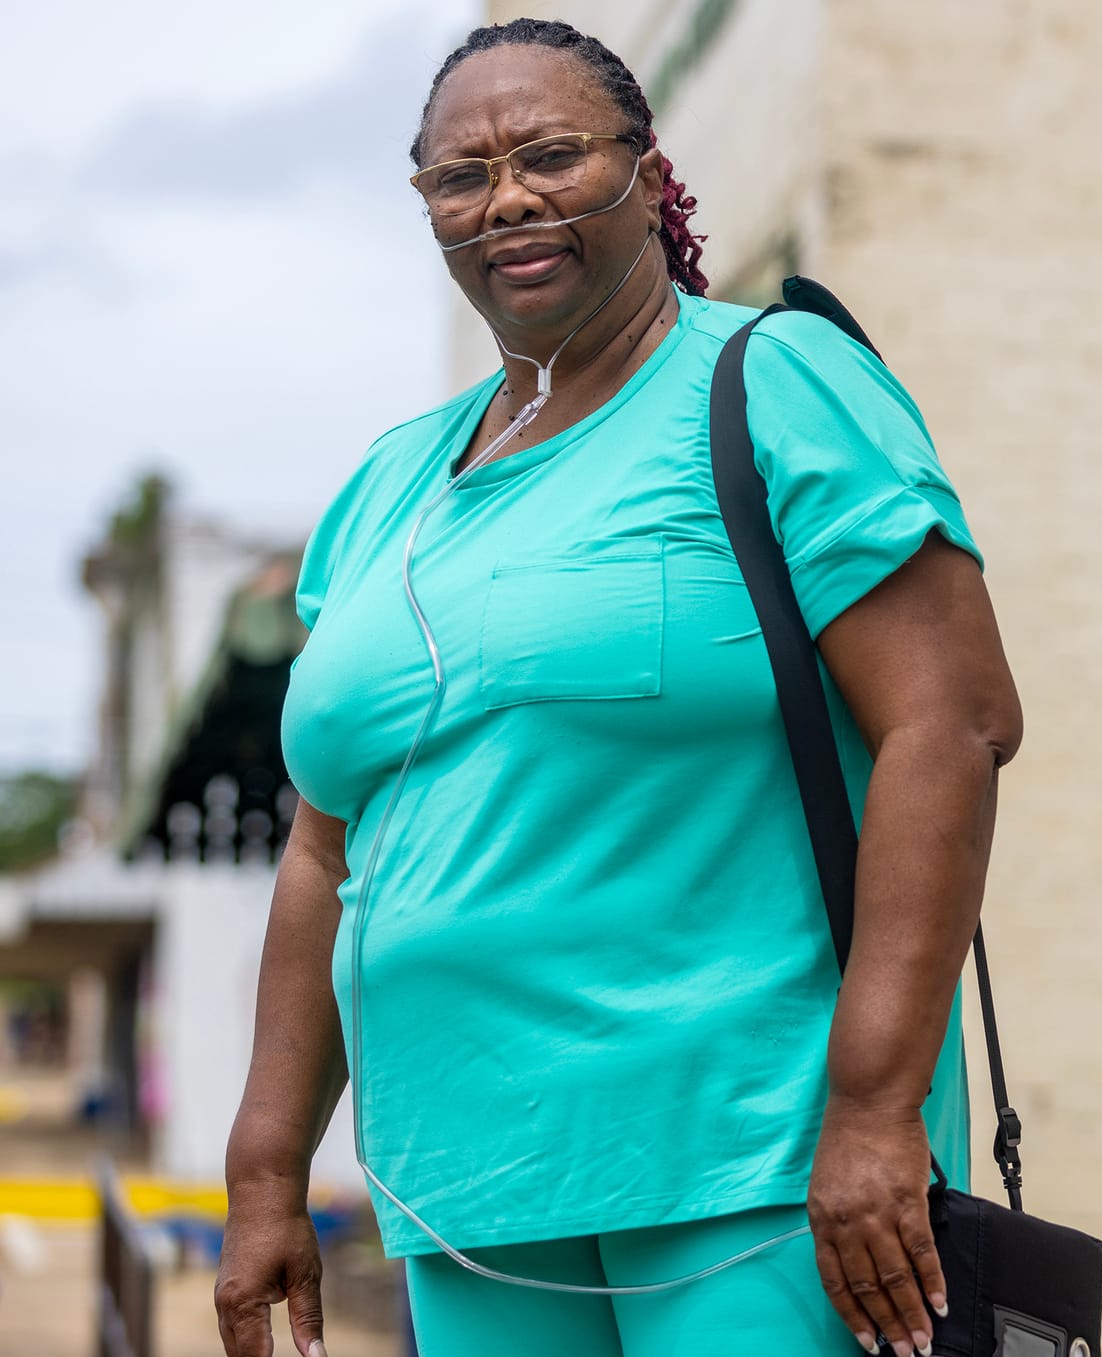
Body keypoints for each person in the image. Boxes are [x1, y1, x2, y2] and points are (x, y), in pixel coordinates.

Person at [213, 19, 1022, 1357]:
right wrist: (265, 1172)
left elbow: (951, 721)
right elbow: (325, 848)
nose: (507, 199)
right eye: (461, 177)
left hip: (753, 1166)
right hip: (466, 1190)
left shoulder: (771, 382)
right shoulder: (384, 487)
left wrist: (876, 1108)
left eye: (551, 155)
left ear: (649, 178)